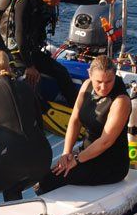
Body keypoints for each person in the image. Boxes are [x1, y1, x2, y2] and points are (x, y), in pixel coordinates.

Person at [10, 0, 118, 105]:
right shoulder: (24, 3)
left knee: (61, 72)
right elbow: (20, 36)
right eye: (55, 0)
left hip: (33, 48)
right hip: (17, 51)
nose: (57, 3)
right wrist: (29, 66)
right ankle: (73, 107)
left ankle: (78, 107)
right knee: (57, 74)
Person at [0, 50, 52, 205]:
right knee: (12, 186)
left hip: (11, 161)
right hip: (43, 158)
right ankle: (16, 214)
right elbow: (40, 124)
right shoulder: (26, 87)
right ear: (9, 67)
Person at [36, 56, 131, 194]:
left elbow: (106, 141)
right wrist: (66, 152)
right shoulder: (87, 85)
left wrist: (77, 160)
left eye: (109, 81)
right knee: (46, 177)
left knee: (50, 180)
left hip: (110, 163)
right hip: (86, 153)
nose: (103, 87)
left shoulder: (121, 101)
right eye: (99, 82)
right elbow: (75, 120)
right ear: (90, 75)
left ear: (115, 77)